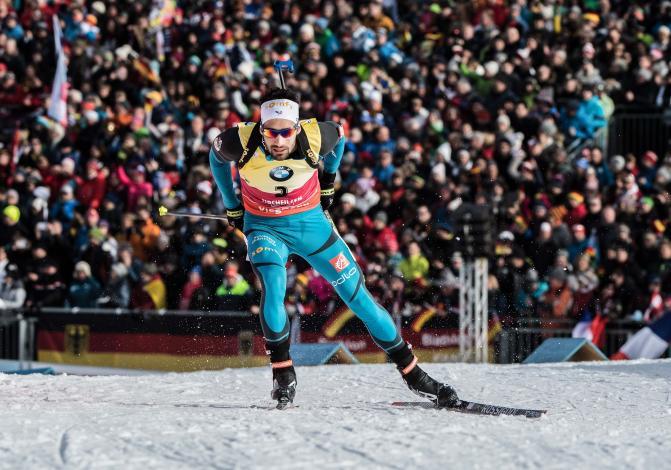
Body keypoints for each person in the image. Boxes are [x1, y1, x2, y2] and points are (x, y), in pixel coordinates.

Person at [210, 87, 458, 408]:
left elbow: (340, 137)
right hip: (265, 228)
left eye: (286, 132)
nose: (278, 141)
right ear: (261, 128)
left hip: (312, 228)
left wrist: (328, 182)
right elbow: (215, 159)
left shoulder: (315, 135)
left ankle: (414, 375)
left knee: (360, 300)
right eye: (271, 132)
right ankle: (283, 373)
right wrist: (232, 205)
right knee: (274, 289)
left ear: (296, 128)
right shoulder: (240, 140)